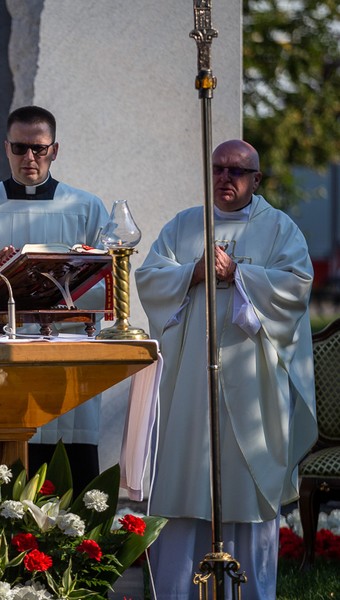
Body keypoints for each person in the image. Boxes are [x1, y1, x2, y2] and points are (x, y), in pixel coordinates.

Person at [135, 139, 316, 599]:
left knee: (248, 488)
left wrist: (239, 273)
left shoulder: (280, 229)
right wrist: (192, 273)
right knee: (184, 484)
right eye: (218, 168)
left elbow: (296, 287)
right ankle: (176, 592)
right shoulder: (184, 225)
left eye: (237, 171)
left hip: (254, 382)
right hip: (193, 385)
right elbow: (150, 277)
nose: (225, 178)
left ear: (256, 179)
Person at [0, 105, 110, 493]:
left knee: (70, 462)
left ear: (55, 151)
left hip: (65, 353)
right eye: (20, 148)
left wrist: (81, 269)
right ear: (6, 148)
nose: (29, 158)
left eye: (39, 149)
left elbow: (109, 280)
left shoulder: (85, 207)